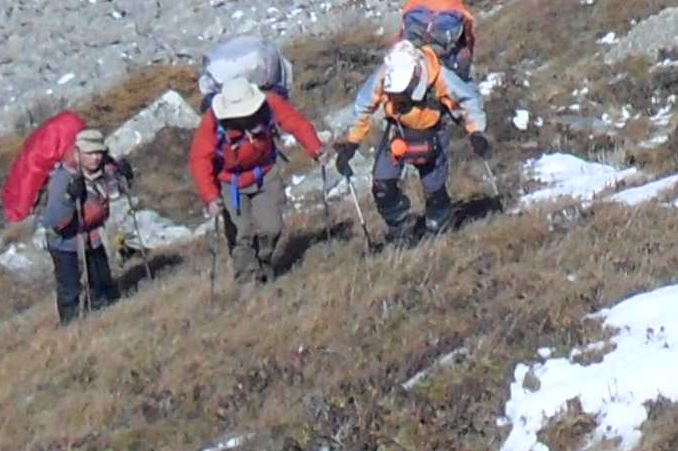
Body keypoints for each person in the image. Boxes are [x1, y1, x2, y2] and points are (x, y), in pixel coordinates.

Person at [337, 36, 488, 246]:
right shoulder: (384, 75)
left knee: (434, 192)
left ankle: (440, 230)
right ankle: (401, 233)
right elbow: (364, 106)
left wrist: (476, 133)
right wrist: (351, 144)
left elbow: (467, 101)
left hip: (433, 132)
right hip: (396, 132)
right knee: (382, 187)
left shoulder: (440, 77)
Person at [191, 77, 323, 278]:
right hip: (230, 182)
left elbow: (294, 122)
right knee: (240, 233)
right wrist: (210, 197)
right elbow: (200, 159)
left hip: (265, 173)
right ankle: (248, 280)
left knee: (272, 227)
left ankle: (264, 263)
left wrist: (316, 149)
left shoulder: (268, 104)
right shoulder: (212, 122)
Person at [39, 125, 132, 321]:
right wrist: (69, 198)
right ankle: (70, 325)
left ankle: (105, 317)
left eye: (98, 152)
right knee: (70, 289)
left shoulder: (106, 168)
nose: (95, 157)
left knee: (102, 281)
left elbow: (116, 192)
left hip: (91, 235)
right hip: (64, 242)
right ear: (78, 152)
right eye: (90, 153)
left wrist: (126, 178)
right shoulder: (63, 178)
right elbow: (54, 221)